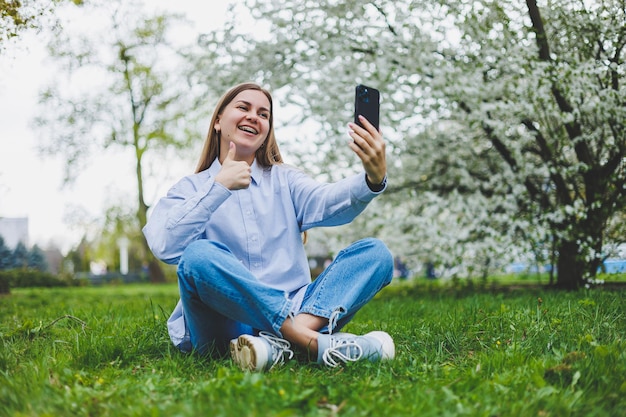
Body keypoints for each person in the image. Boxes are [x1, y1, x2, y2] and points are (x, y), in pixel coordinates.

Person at [143, 82, 394, 371]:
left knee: (376, 254)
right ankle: (307, 341)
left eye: (264, 114)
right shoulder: (190, 188)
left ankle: (278, 345)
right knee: (198, 256)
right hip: (223, 324)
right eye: (243, 107)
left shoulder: (285, 180)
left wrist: (371, 180)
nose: (254, 116)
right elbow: (165, 244)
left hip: (299, 307)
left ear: (267, 132)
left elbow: (327, 201)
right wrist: (218, 187)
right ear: (217, 122)